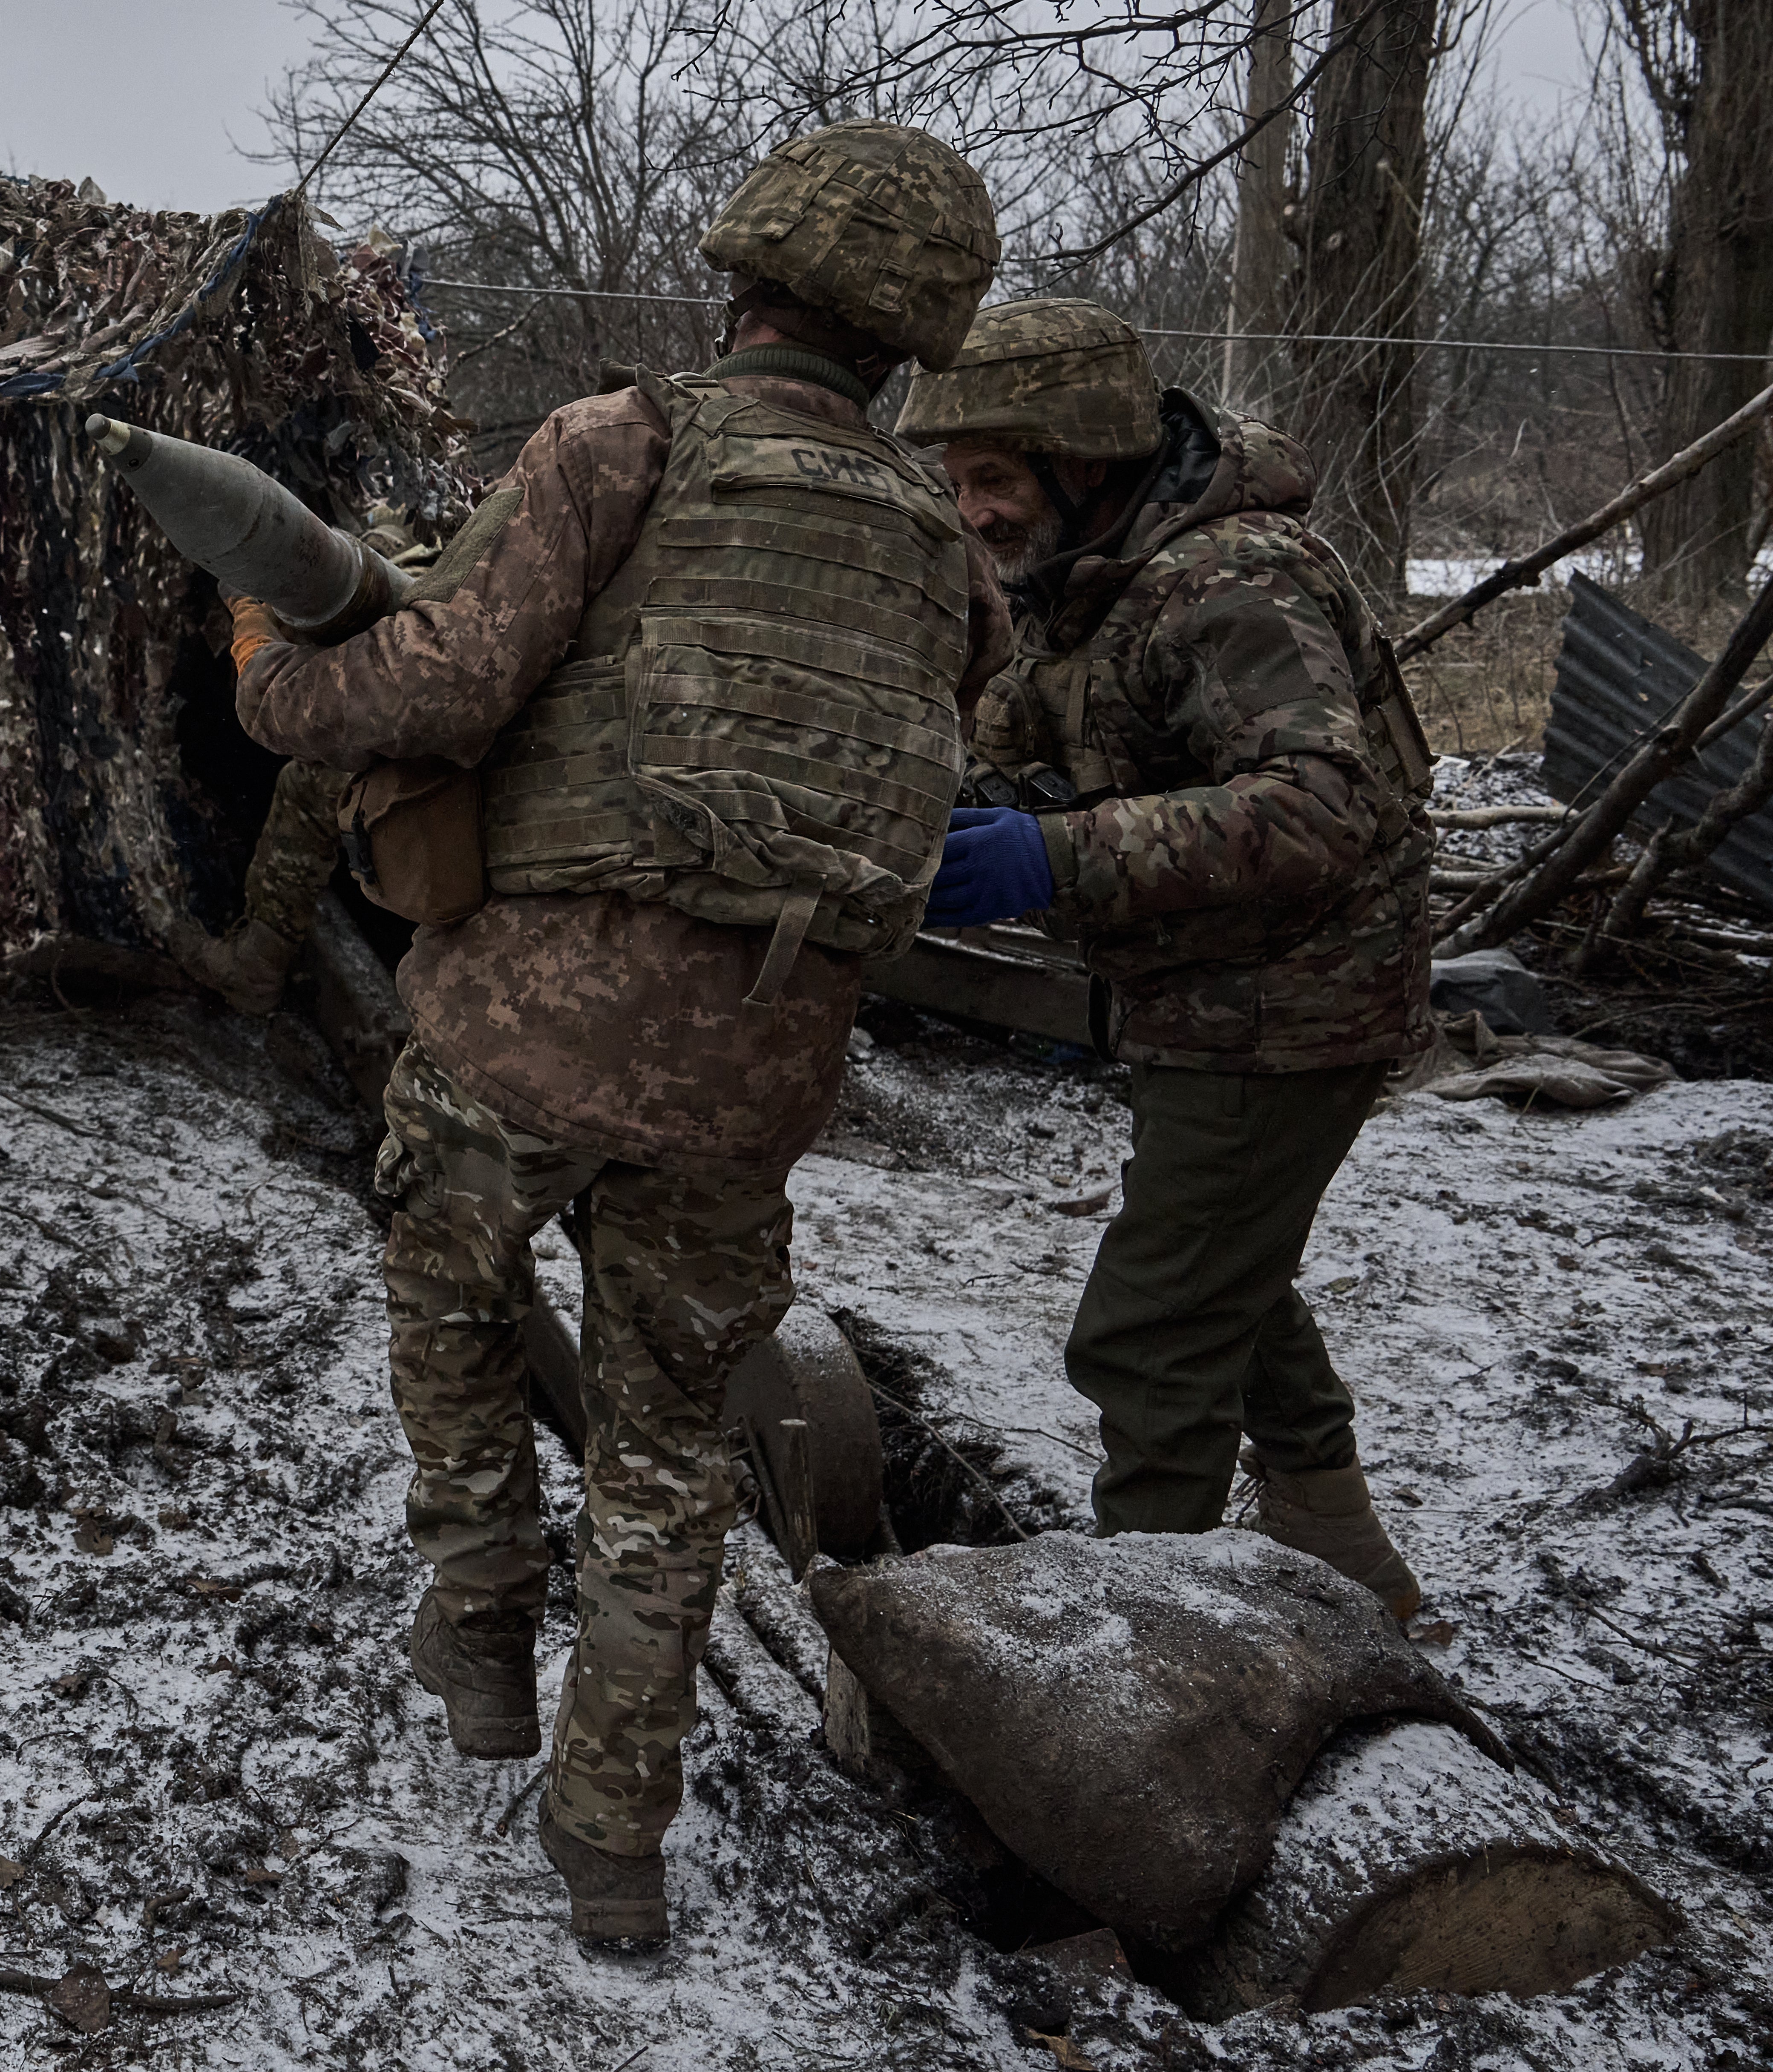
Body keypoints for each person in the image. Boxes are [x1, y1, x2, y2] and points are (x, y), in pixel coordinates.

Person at [233, 121, 1008, 1947]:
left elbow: (444, 678)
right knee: (672, 1439)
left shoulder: (620, 442)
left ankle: (483, 1639)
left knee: (448, 1288)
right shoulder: (934, 543)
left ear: (741, 273)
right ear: (908, 339)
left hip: (525, 1025)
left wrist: (275, 680)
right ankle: (613, 1844)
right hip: (756, 1066)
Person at [897, 298, 1435, 1619]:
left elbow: (1320, 804)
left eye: (992, 478)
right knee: (1218, 1271)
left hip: (1289, 1002)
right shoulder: (1090, 575)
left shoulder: (1230, 578)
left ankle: (1156, 1642)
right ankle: (1333, 1538)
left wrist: (1054, 854)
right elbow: (1053, 728)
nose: (971, 509)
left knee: (1149, 1331)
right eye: (953, 480)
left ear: (1080, 457)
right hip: (1201, 991)